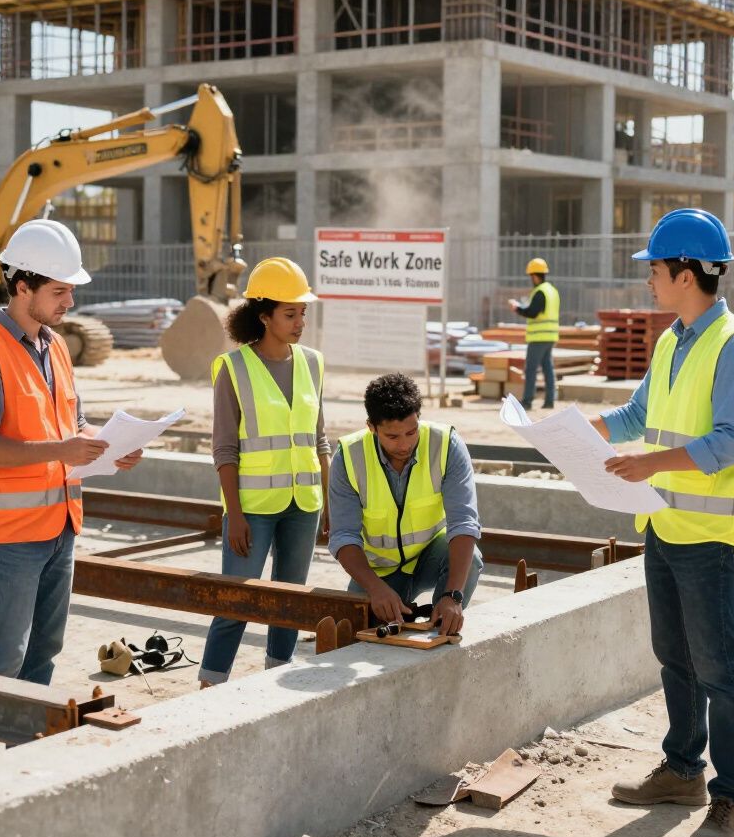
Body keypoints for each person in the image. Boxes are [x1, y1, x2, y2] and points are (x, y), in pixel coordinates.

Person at [591, 208, 734, 837]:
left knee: (720, 667)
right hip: (665, 526)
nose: (649, 279)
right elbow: (640, 412)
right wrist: (575, 432)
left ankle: (731, 801)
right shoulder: (671, 339)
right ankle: (683, 770)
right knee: (675, 656)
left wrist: (648, 463)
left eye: (657, 269)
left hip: (712, 539)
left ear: (688, 273)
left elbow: (729, 441)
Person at [0, 219, 143, 763]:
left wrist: (109, 446)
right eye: (59, 290)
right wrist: (61, 451)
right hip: (9, 537)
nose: (69, 300)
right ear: (22, 286)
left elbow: (69, 427)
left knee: (44, 653)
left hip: (60, 526)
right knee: (1, 656)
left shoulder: (55, 347)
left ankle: (23, 756)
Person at [199, 257, 329, 686]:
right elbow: (224, 450)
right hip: (250, 509)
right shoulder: (233, 369)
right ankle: (210, 682)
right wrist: (233, 514)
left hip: (303, 505)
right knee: (237, 600)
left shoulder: (312, 363)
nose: (300, 322)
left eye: (303, 313)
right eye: (290, 314)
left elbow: (319, 440)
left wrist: (329, 504)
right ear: (264, 316)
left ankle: (276, 680)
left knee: (288, 602)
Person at [328, 372, 482, 634]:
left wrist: (453, 595)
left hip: (428, 558)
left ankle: (440, 625)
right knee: (358, 632)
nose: (405, 444)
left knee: (473, 560)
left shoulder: (446, 445)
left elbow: (464, 522)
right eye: (392, 436)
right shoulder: (348, 457)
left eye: (412, 432)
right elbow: (343, 536)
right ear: (371, 427)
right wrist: (375, 589)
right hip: (378, 572)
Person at [508, 257, 560, 411]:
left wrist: (517, 308)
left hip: (539, 337)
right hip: (550, 336)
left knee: (531, 369)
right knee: (548, 369)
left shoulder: (540, 292)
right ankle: (550, 401)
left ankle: (527, 401)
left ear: (534, 276)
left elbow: (533, 313)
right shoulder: (552, 291)